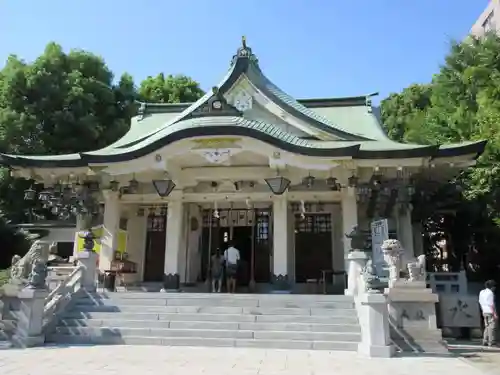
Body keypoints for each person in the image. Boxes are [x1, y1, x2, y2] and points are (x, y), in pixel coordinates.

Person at [479, 279, 497, 347]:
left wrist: (482, 310)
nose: (495, 288)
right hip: (490, 311)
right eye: (494, 286)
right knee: (492, 327)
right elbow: (491, 304)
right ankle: (491, 342)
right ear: (492, 286)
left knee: (486, 326)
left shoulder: (482, 292)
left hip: (484, 311)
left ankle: (485, 340)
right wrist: (494, 313)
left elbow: (480, 302)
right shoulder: (490, 293)